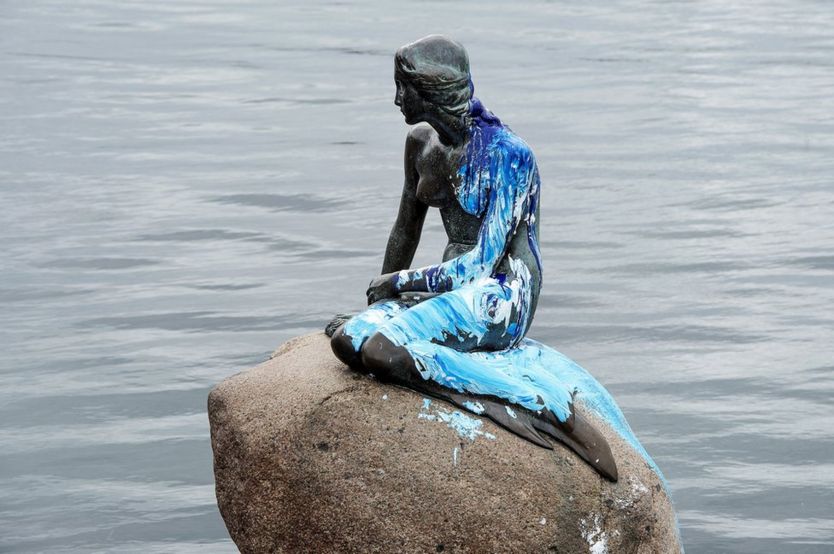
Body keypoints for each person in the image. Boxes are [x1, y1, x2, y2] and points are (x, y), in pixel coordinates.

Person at [327, 35, 618, 481]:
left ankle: (532, 401)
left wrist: (401, 285)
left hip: (502, 292)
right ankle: (447, 364)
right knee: (348, 341)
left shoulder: (509, 155)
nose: (396, 99)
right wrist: (379, 302)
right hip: (452, 288)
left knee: (384, 351)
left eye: (405, 88)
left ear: (432, 92)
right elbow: (406, 226)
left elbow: (483, 262)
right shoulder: (421, 144)